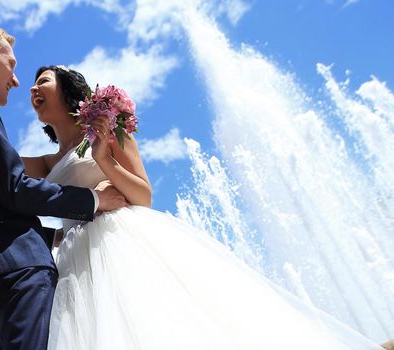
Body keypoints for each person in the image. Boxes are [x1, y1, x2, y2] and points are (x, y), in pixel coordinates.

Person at [23, 65, 384, 349]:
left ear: (67, 87)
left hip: (119, 244)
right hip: (74, 261)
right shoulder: (45, 162)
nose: (33, 89)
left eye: (43, 81)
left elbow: (144, 196)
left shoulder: (107, 128)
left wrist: (105, 159)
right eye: (31, 85)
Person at [0, 21, 128, 350]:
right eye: (12, 64)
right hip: (15, 270)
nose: (16, 81)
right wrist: (94, 200)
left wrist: (53, 236)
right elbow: (13, 186)